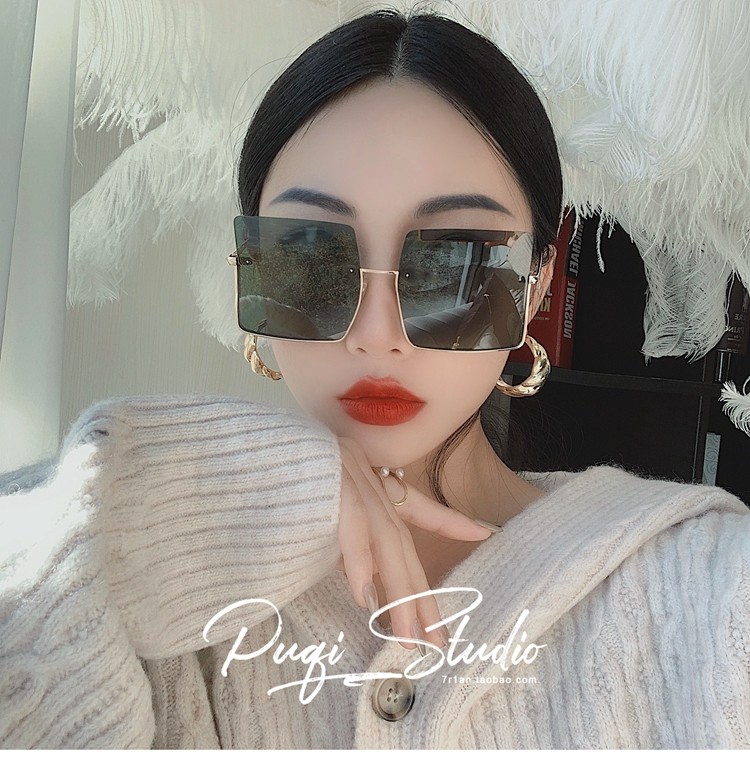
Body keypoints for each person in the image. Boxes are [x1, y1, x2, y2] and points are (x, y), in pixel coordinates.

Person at [2, 7, 749, 751]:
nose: (378, 332)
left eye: (456, 261)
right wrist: (133, 508)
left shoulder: (708, 590)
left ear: (536, 289)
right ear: (250, 271)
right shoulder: (144, 590)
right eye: (310, 255)